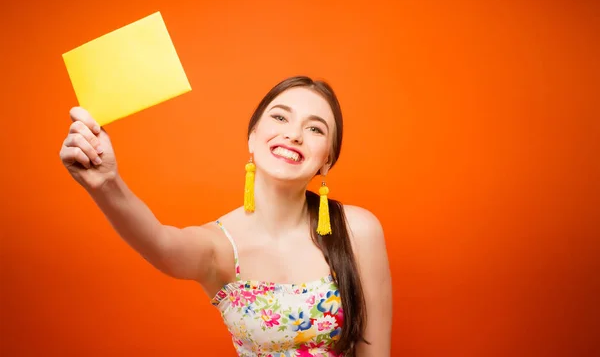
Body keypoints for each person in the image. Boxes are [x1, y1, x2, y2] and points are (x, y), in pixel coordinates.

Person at [59, 76, 392, 356]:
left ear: (327, 160)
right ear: (252, 137)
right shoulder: (220, 247)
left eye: (315, 129)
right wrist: (106, 183)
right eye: (279, 118)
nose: (293, 134)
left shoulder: (358, 230)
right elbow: (161, 243)